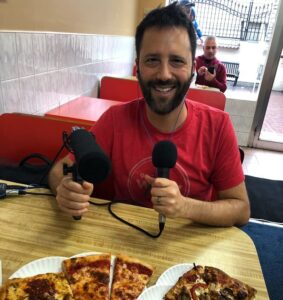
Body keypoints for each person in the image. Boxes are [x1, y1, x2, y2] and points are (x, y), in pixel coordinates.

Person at [48, 3, 250, 227]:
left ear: (193, 68)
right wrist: (66, 190)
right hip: (122, 246)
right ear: (137, 68)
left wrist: (185, 206)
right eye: (152, 60)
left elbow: (240, 209)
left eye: (176, 61)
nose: (164, 74)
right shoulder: (114, 120)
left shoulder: (218, 125)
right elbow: (59, 170)